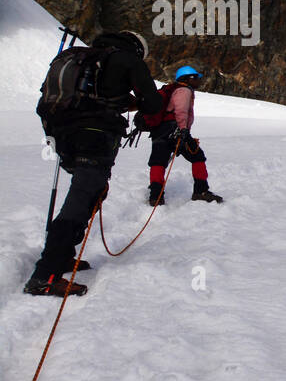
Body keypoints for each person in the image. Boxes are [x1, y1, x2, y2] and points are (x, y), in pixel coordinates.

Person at [25, 30, 164, 296]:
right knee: (83, 196)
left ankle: (62, 255)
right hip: (95, 135)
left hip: (60, 132)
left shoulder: (76, 56)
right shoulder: (127, 60)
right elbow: (154, 104)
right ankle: (45, 275)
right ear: (137, 49)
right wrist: (136, 105)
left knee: (88, 192)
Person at [146, 65, 223, 205]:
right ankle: (201, 191)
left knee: (158, 161)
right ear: (189, 78)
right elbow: (181, 110)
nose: (199, 80)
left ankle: (155, 196)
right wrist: (183, 130)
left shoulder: (173, 90)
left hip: (160, 131)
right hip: (175, 130)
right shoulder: (184, 90)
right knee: (197, 155)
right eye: (196, 78)